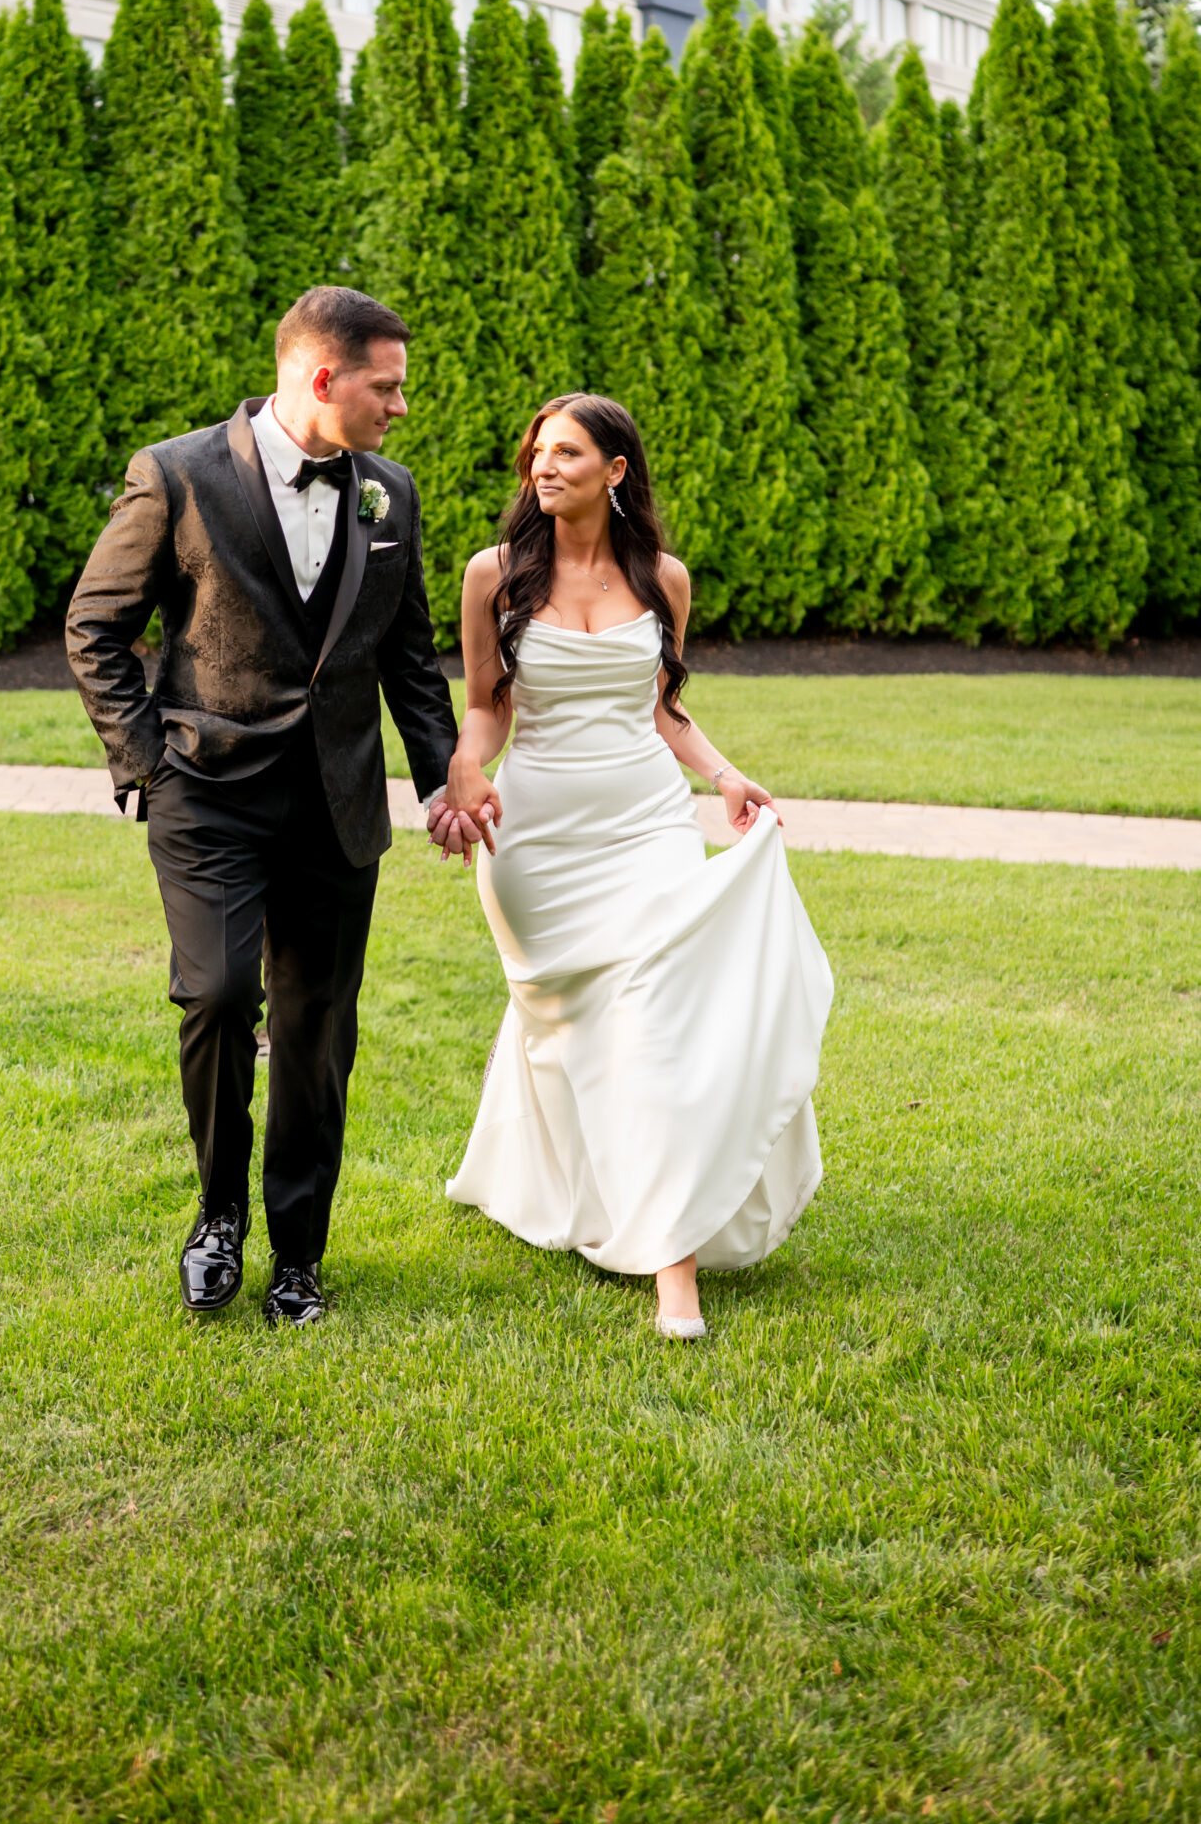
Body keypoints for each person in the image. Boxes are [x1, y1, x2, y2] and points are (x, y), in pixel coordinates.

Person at [66, 287, 460, 1327]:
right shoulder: (177, 473)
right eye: (388, 386)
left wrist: (441, 779)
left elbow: (407, 657)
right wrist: (150, 764)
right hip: (209, 796)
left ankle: (297, 1253)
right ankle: (215, 1218)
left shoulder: (390, 495)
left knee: (317, 1026)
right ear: (320, 377)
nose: (401, 407)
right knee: (216, 994)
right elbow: (93, 626)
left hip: (337, 808)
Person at [434, 393, 833, 1339]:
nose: (545, 466)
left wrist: (725, 778)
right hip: (533, 839)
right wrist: (461, 764)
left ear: (615, 471)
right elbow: (487, 707)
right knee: (574, 1030)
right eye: (537, 452)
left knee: (650, 1024)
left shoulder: (663, 578)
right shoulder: (492, 574)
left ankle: (673, 1268)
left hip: (647, 824)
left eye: (567, 453)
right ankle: (537, 1180)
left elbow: (663, 710)